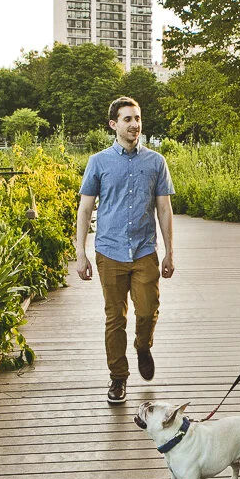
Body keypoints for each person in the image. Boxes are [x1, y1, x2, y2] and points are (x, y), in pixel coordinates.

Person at [76, 96, 175, 405]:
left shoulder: (156, 162)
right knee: (114, 318)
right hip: (110, 251)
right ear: (113, 124)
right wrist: (81, 252)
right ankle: (118, 378)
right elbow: (85, 208)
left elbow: (164, 208)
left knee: (147, 311)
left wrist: (170, 251)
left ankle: (143, 346)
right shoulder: (99, 162)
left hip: (145, 250)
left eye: (138, 118)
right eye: (128, 119)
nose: (135, 124)